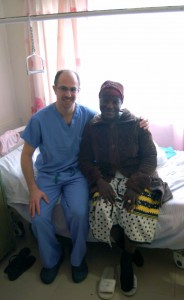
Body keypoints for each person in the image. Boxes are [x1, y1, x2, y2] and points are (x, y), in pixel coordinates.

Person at [21, 70, 149, 285]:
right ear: (54, 89)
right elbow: (25, 155)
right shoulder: (39, 119)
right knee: (39, 217)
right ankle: (52, 259)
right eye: (63, 88)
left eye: (73, 89)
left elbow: (115, 118)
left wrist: (140, 122)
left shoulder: (89, 116)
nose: (68, 94)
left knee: (79, 213)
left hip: (76, 175)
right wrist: (33, 188)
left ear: (78, 91)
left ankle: (77, 259)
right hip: (48, 176)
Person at [78, 80, 172, 296]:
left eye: (114, 101)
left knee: (136, 211)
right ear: (99, 102)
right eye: (105, 101)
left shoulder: (136, 124)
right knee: (101, 211)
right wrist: (99, 181)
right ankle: (128, 248)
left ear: (122, 102)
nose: (109, 105)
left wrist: (135, 186)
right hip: (106, 179)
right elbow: (83, 160)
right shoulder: (93, 127)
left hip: (138, 177)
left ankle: (126, 259)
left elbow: (150, 157)